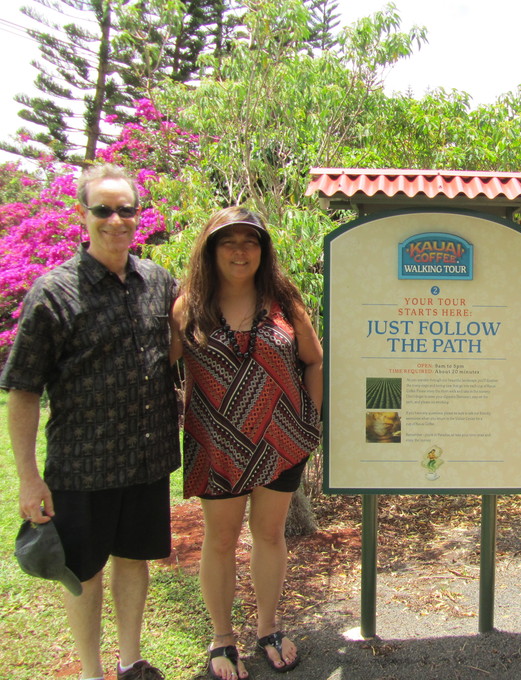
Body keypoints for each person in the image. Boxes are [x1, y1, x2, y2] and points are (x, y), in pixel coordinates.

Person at [1, 164, 180, 680]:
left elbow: (169, 349)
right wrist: (29, 478)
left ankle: (129, 662)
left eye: (126, 209)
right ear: (83, 215)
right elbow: (24, 391)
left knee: (133, 562)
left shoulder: (157, 282)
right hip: (82, 466)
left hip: (146, 460)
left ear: (138, 217)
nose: (116, 220)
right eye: (103, 209)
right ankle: (89, 671)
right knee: (83, 573)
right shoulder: (54, 294)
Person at [172, 207, 322, 679]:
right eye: (228, 241)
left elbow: (314, 361)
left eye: (250, 241)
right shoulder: (188, 308)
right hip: (216, 443)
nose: (240, 251)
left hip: (281, 440)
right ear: (210, 250)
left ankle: (268, 627)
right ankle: (222, 638)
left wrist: (310, 419)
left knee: (270, 535)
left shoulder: (283, 301)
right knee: (219, 541)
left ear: (263, 250)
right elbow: (162, 371)